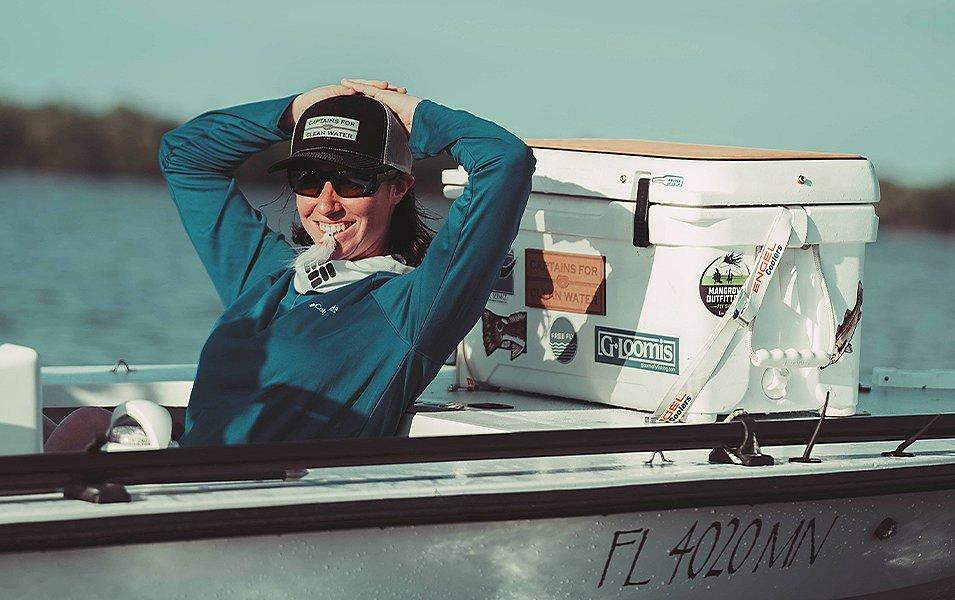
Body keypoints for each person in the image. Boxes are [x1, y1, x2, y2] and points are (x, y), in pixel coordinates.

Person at [156, 79, 534, 446]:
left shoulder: (413, 307)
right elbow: (184, 154)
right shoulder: (267, 276)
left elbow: (504, 160)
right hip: (184, 483)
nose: (326, 205)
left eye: (352, 181)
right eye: (307, 179)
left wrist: (416, 117)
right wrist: (297, 111)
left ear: (398, 188)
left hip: (265, 499)